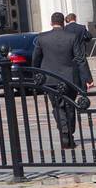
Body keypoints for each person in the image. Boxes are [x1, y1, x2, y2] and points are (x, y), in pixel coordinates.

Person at [31, 12, 88, 149]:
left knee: (57, 106)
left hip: (50, 79)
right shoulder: (72, 37)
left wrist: (36, 74)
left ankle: (64, 132)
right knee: (69, 105)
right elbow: (80, 59)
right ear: (63, 22)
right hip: (69, 78)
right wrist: (87, 78)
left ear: (51, 23)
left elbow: (36, 59)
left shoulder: (42, 38)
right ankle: (68, 132)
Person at [63, 13, 94, 90]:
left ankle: (74, 86)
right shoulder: (81, 27)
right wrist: (83, 40)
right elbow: (89, 36)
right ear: (75, 18)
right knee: (82, 68)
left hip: (70, 51)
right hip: (80, 50)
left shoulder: (65, 28)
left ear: (68, 19)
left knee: (72, 69)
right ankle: (83, 87)